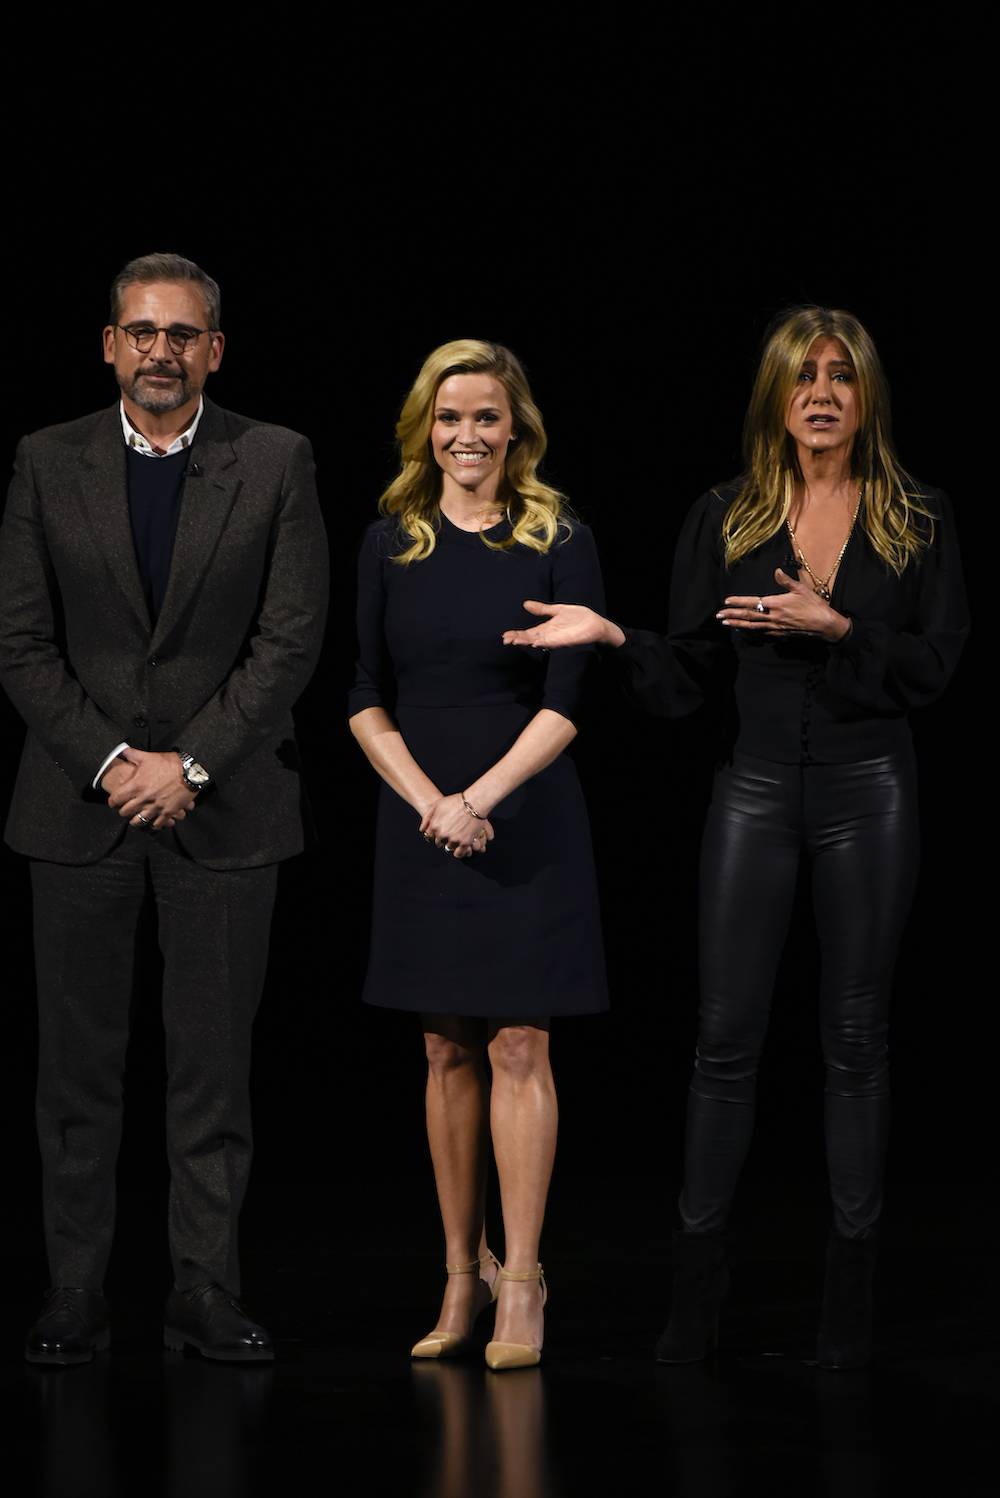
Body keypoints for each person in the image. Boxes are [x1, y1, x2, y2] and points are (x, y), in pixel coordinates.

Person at [502, 306, 969, 1369]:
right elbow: (683, 676)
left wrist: (839, 627)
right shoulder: (723, 514)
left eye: (840, 376)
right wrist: (615, 634)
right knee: (724, 1045)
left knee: (854, 1044)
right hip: (753, 791)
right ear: (774, 395)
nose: (820, 393)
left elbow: (936, 665)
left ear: (865, 397)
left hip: (868, 790)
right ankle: (695, 1303)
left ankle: (846, 1309)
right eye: (800, 375)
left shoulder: (918, 515)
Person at [0, 252, 329, 1364]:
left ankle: (202, 1288)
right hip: (76, 810)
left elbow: (289, 641)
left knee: (211, 1073)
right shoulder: (47, 462)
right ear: (109, 344)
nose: (159, 350)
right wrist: (112, 760)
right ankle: (75, 1291)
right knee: (77, 1075)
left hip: (222, 811)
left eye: (181, 334)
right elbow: (22, 645)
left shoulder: (275, 460)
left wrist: (188, 764)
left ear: (214, 350)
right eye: (140, 331)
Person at [349, 339, 607, 1371]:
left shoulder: (559, 535)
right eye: (449, 416)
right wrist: (430, 802)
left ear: (516, 429)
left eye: (486, 417)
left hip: (525, 811)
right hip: (419, 808)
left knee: (518, 1046)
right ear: (426, 427)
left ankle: (526, 1279)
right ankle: (462, 1269)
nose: (467, 435)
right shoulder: (387, 543)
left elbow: (568, 702)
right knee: (443, 1047)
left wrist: (480, 798)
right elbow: (361, 688)